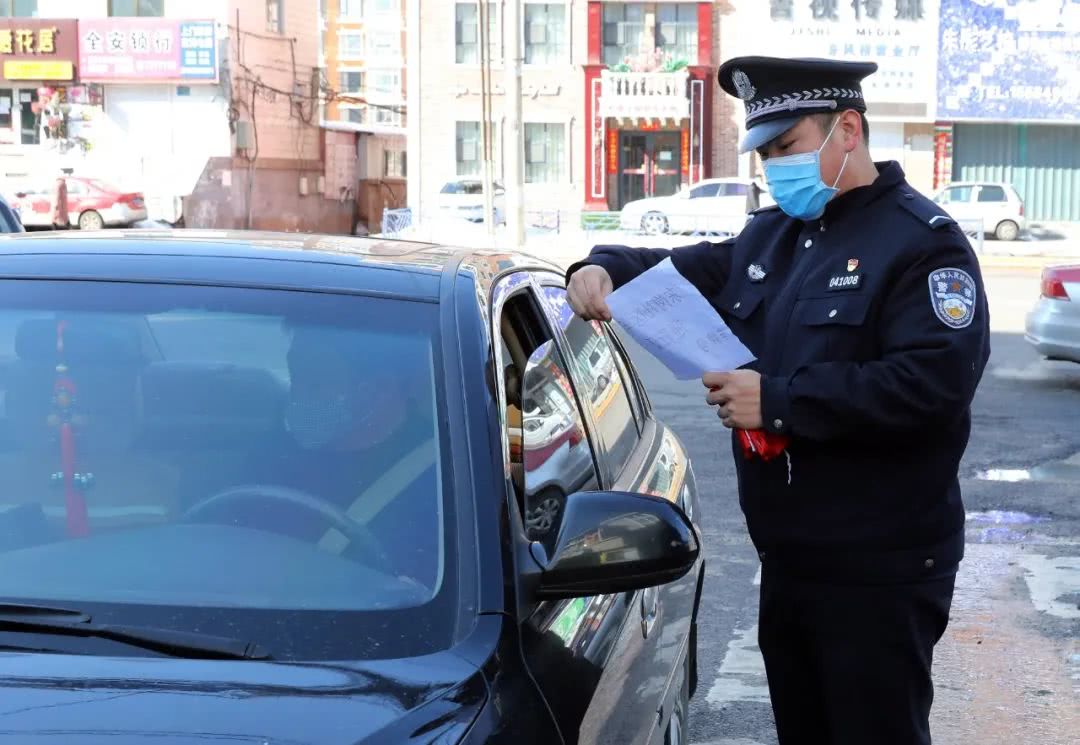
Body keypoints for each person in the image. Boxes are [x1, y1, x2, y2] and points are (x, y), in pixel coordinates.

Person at [565, 56, 990, 745]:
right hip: (792, 563)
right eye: (764, 153)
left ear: (846, 129)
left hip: (878, 574)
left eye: (787, 147)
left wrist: (782, 400)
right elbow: (681, 269)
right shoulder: (777, 236)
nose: (773, 167)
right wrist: (602, 265)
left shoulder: (921, 245)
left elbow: (932, 385)